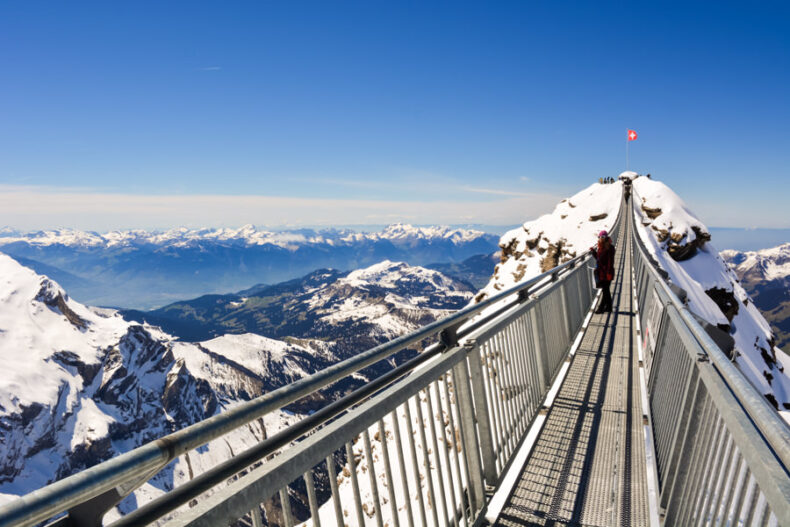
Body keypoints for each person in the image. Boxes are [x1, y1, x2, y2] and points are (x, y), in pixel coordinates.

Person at [590, 230, 615, 313]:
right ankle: (608, 308)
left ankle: (601, 308)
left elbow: (610, 262)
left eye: (603, 237)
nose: (601, 238)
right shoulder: (600, 247)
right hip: (602, 272)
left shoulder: (609, 248)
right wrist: (593, 252)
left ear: (606, 237)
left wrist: (608, 273)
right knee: (606, 290)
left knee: (605, 291)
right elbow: (598, 259)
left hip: (606, 273)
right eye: (600, 237)